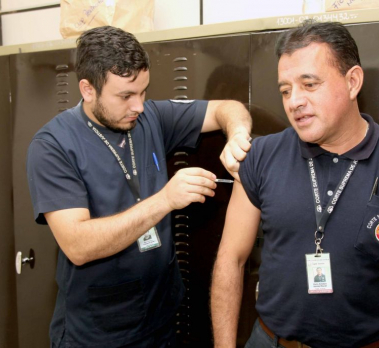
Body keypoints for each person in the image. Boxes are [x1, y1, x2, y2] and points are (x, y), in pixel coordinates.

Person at [211, 21, 379, 348]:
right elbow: (231, 259)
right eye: (285, 90)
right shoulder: (261, 157)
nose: (294, 101)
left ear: (352, 82)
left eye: (309, 85)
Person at [26, 26, 252, 347]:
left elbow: (227, 108)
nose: (139, 106)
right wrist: (166, 200)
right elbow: (78, 245)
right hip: (97, 332)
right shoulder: (53, 146)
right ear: (88, 89)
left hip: (160, 323)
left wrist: (238, 136)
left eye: (143, 92)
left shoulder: (150, 118)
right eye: (125, 96)